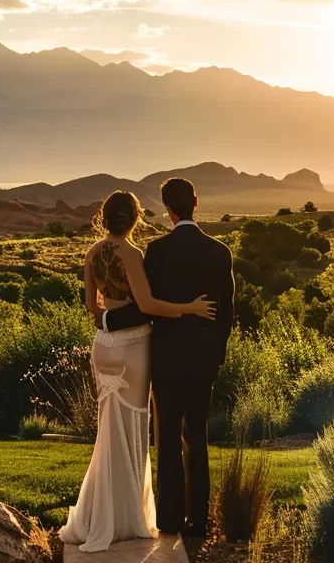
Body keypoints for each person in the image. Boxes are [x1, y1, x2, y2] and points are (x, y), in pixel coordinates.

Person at [59, 190, 216, 553]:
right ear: (134, 219)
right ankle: (127, 515)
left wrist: (108, 318)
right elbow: (147, 305)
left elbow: (91, 306)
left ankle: (100, 513)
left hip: (103, 346)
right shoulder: (132, 254)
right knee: (133, 425)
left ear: (104, 217)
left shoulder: (92, 253)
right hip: (133, 347)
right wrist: (190, 307)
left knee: (108, 426)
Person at [101, 177, 235, 538]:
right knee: (198, 435)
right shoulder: (220, 252)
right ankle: (200, 521)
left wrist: (108, 319)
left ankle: (171, 519)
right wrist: (214, 356)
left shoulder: (156, 252)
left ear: (168, 210)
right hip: (204, 360)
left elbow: (147, 309)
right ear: (195, 201)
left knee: (168, 435)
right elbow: (226, 316)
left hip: (167, 359)